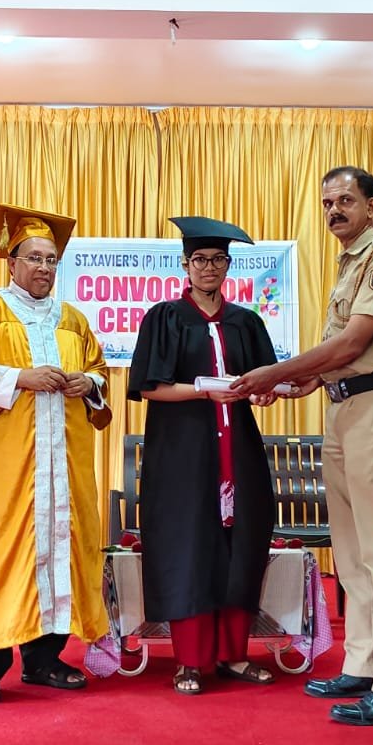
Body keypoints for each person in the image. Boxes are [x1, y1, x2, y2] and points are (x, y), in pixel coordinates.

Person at [231, 166, 373, 726]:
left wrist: (273, 371)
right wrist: (302, 381)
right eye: (327, 203)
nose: (335, 210)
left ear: (371, 205)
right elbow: (339, 355)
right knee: (351, 549)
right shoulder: (347, 264)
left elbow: (354, 342)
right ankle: (364, 664)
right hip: (343, 408)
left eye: (345, 200)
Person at [0, 203, 113, 704]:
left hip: (63, 465)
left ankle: (44, 660)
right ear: (11, 262)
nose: (43, 267)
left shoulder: (72, 319)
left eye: (51, 259)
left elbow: (100, 371)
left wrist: (89, 382)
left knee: (59, 551)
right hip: (5, 464)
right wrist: (21, 377)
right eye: (34, 258)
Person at [128, 217, 281, 695]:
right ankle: (190, 661)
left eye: (217, 260)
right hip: (184, 455)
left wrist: (263, 393)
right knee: (188, 548)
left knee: (241, 548)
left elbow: (264, 381)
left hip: (239, 451)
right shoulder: (164, 318)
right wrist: (203, 391)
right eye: (199, 260)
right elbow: (148, 388)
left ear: (228, 266)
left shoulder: (246, 322)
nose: (208, 267)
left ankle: (235, 656)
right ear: (185, 264)